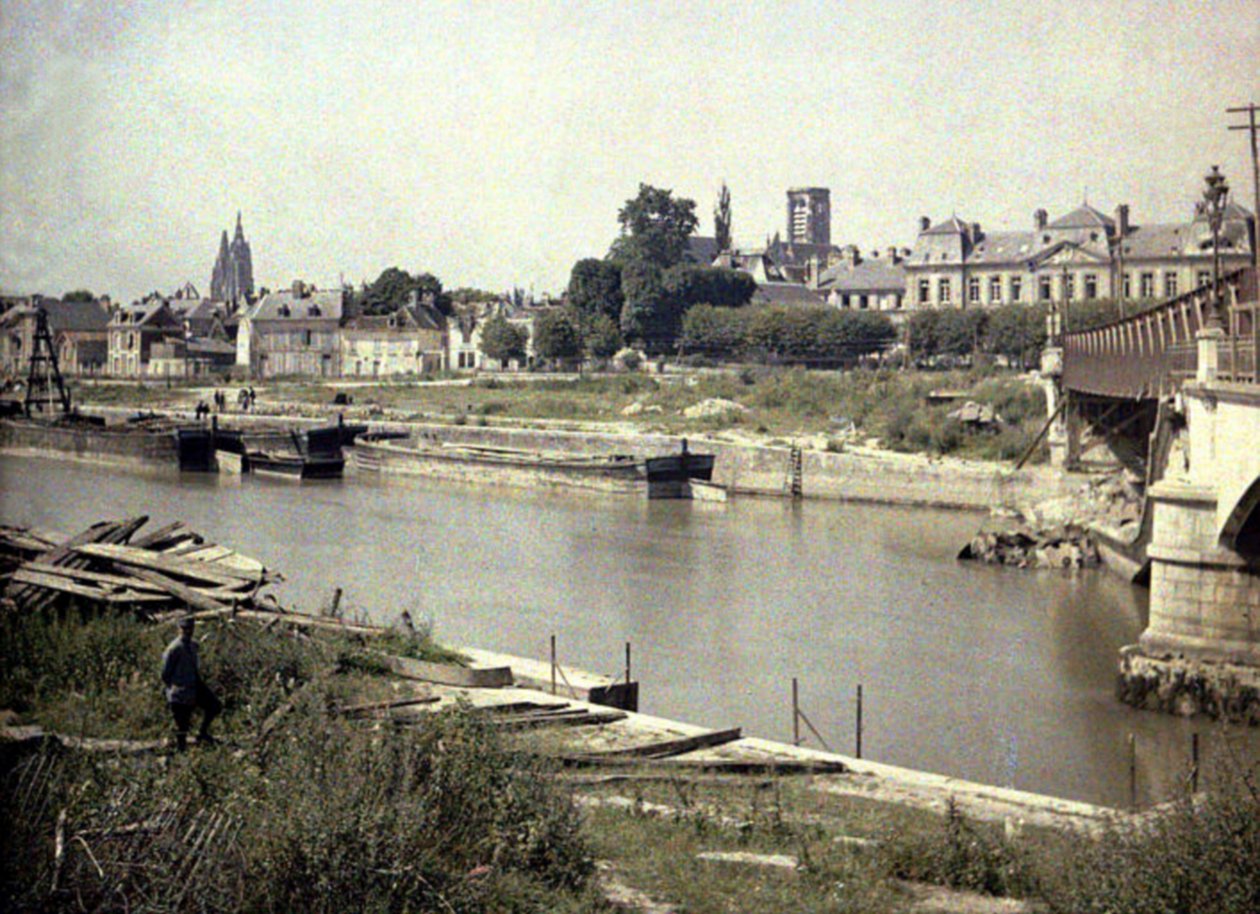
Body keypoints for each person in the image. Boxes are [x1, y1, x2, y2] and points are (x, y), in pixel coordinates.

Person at [160, 617, 222, 750]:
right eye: (184, 629)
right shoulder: (174, 648)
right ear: (179, 629)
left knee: (215, 706)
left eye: (190, 629)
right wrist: (174, 688)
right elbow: (165, 674)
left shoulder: (193, 646)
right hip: (179, 691)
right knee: (182, 727)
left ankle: (202, 733)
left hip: (194, 686)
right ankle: (179, 757)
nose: (187, 631)